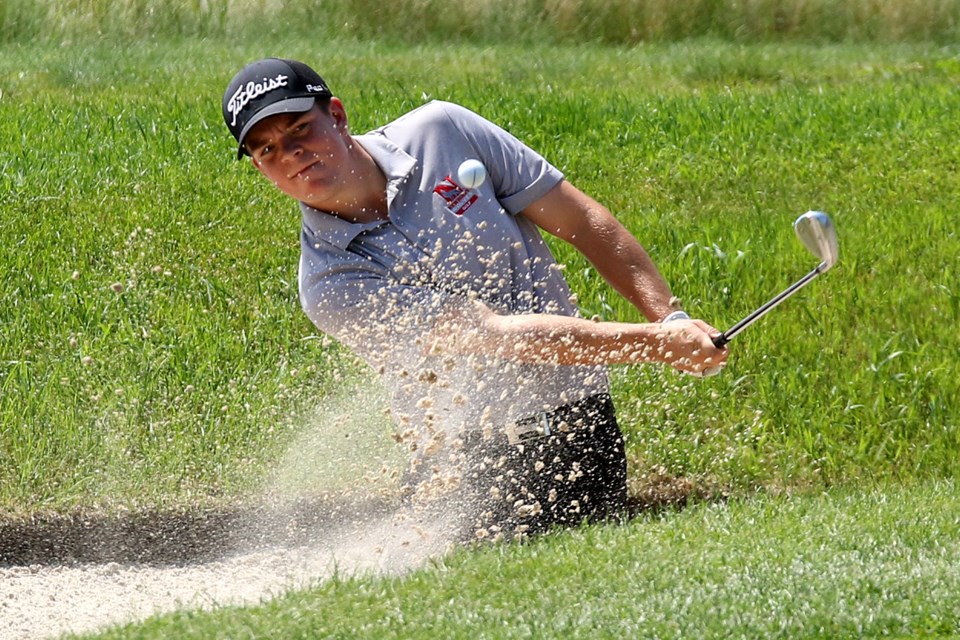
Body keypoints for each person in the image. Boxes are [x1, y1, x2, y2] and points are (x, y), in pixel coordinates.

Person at [221, 58, 727, 542]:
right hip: (468, 464)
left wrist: (673, 319)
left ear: (336, 115)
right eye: (266, 150)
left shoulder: (444, 131)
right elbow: (492, 335)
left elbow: (582, 222)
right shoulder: (331, 283)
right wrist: (655, 344)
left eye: (299, 130)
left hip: (580, 422)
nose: (290, 155)